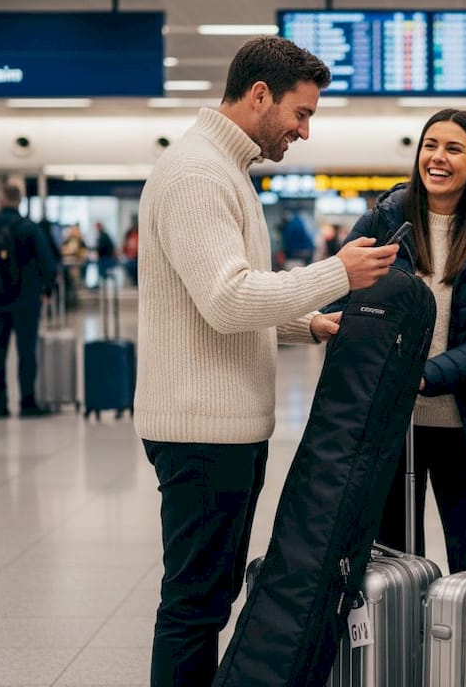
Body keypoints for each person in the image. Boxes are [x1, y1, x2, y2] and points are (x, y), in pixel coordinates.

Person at [134, 36, 398, 687]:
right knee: (195, 606)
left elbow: (224, 296)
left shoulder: (224, 170)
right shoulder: (198, 174)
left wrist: (308, 323)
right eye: (301, 113)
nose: (304, 131)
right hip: (201, 431)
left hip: (219, 427)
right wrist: (337, 271)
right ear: (259, 96)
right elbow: (227, 301)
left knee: (208, 597)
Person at [343, 109, 466, 575]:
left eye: (454, 148)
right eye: (430, 145)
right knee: (395, 568)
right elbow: (334, 300)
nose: (438, 158)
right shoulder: (381, 223)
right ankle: (406, 650)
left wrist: (424, 378)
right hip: (388, 427)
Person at [0, 183, 57, 417]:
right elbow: (47, 262)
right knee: (26, 351)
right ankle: (27, 402)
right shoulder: (28, 228)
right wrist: (48, 288)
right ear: (19, 201)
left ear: (0, 200)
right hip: (26, 300)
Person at [122, 219, 139, 287]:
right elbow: (124, 247)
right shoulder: (128, 236)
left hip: (136, 258)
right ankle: (134, 282)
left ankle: (135, 282)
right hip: (130, 258)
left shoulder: (137, 236)